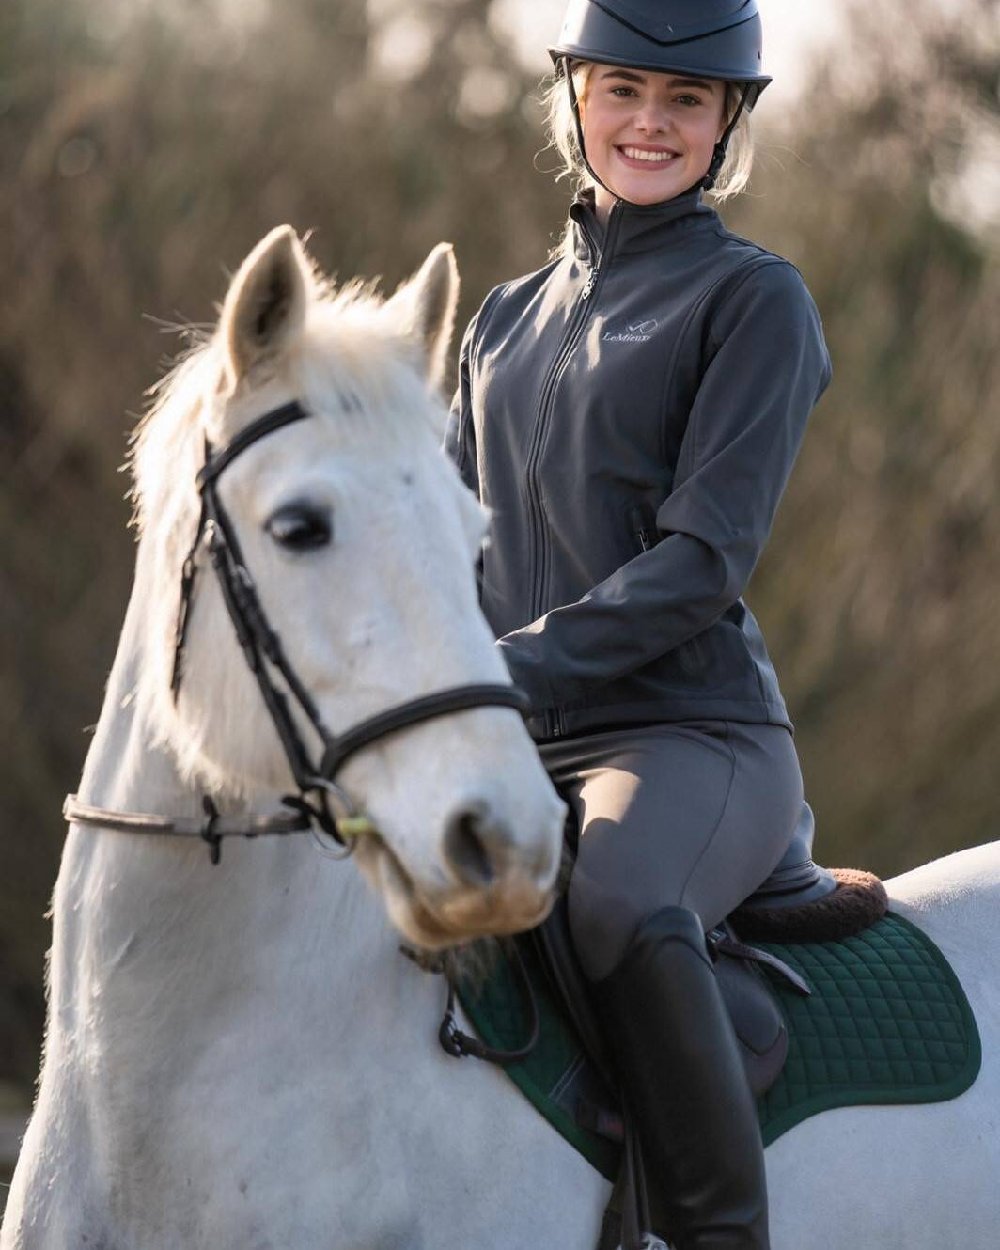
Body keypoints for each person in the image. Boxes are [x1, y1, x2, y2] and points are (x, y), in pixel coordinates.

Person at [446, 2, 831, 1246]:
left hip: (686, 735)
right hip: (511, 731)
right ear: (575, 100)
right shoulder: (500, 318)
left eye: (684, 102)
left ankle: (716, 1230)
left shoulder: (753, 301)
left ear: (727, 124)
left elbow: (699, 566)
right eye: (622, 91)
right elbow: (452, 546)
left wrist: (496, 667)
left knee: (608, 898)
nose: (648, 124)